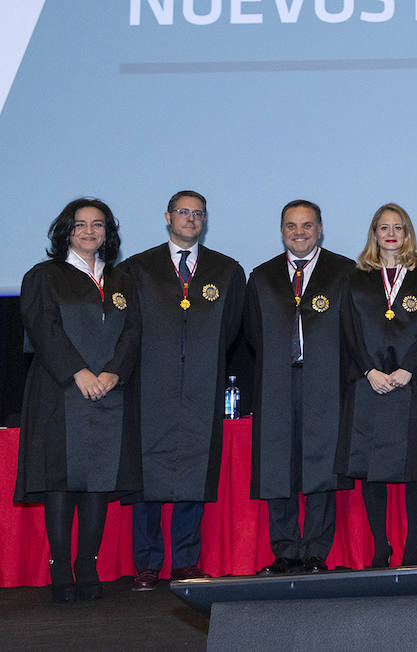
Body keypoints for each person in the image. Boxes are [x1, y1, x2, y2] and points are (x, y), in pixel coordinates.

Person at [120, 190, 245, 590]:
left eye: (198, 213)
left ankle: (186, 561)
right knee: (147, 474)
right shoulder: (137, 268)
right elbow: (128, 327)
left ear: (205, 220)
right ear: (167, 217)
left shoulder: (227, 270)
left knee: (194, 470)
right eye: (183, 212)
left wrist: (198, 362)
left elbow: (230, 330)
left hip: (200, 386)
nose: (191, 219)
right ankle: (147, 563)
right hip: (150, 385)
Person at [17, 198, 140, 602]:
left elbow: (133, 333)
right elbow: (42, 329)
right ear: (66, 231)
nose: (90, 231)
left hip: (109, 391)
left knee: (99, 481)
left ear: (108, 231)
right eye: (80, 224)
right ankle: (59, 565)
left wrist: (113, 372)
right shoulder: (44, 276)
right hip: (61, 391)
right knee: (61, 480)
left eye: (98, 224)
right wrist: (79, 372)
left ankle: (87, 562)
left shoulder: (122, 280)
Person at [244, 200, 354, 575]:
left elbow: (352, 332)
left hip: (325, 383)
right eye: (291, 226)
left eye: (307, 225)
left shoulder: (344, 272)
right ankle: (286, 551)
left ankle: (315, 552)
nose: (299, 232)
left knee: (321, 466)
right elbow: (253, 333)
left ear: (320, 229)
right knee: (278, 465)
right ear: (281, 231)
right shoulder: (262, 276)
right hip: (277, 383)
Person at [336, 204, 417, 568]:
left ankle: (412, 546)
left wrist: (409, 367)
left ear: (408, 233)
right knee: (371, 468)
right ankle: (381, 545)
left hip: (411, 384)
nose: (391, 234)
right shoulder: (355, 277)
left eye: (398, 227)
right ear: (374, 234)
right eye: (383, 228)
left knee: (413, 467)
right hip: (370, 384)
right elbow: (348, 329)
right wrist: (368, 370)